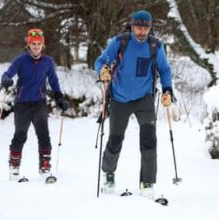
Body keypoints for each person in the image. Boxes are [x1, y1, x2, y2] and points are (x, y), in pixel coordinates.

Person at [95, 10, 173, 198]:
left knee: (149, 139)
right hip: (120, 98)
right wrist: (103, 70)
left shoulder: (155, 46)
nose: (141, 32)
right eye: (138, 27)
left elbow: (164, 69)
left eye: (145, 28)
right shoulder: (121, 42)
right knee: (115, 139)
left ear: (149, 28)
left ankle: (147, 182)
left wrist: (168, 90)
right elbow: (101, 60)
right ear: (132, 26)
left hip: (144, 99)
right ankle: (108, 174)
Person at [1, 28, 69, 180]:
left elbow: (54, 81)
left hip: (39, 103)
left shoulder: (48, 62)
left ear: (42, 45)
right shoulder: (21, 60)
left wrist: (59, 98)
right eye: (33, 44)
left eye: (39, 44)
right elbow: (8, 73)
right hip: (22, 104)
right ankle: (14, 167)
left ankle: (45, 167)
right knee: (20, 135)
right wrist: (5, 80)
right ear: (28, 45)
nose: (36, 46)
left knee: (43, 134)